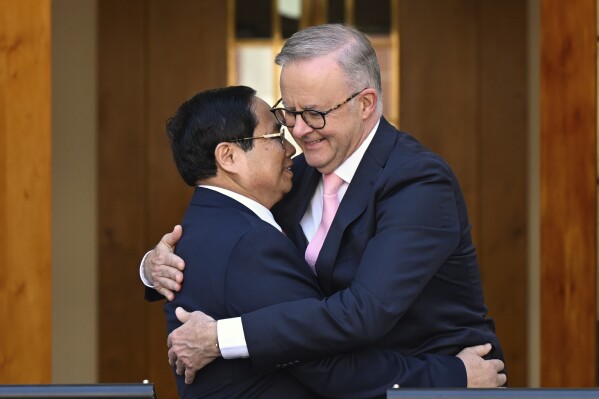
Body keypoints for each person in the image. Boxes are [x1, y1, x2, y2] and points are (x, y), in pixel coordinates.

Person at [143, 23, 506, 389]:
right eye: (289, 112)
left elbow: (366, 312)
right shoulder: (295, 175)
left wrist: (222, 338)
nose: (298, 132)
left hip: (436, 384)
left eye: (314, 113)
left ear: (365, 104)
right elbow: (234, 236)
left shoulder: (418, 181)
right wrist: (154, 266)